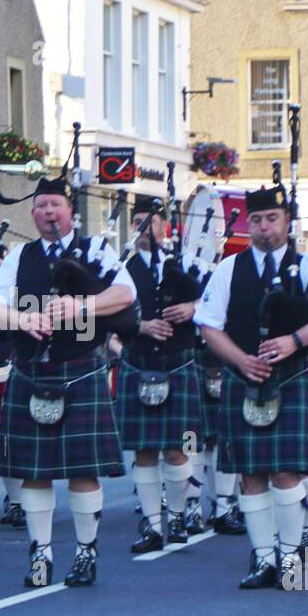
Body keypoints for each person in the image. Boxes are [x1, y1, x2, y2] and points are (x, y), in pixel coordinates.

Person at [0, 175, 135, 589]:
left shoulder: (96, 250)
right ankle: (41, 553)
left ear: (71, 211)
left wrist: (80, 305)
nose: (49, 213)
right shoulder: (19, 256)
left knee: (83, 470)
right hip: (31, 369)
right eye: (41, 206)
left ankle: (86, 552)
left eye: (56, 205)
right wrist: (22, 319)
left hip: (80, 366)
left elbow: (125, 295)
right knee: (35, 471)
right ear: (32, 213)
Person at [194, 187, 308, 590]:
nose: (263, 228)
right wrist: (239, 360)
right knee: (251, 474)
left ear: (287, 222)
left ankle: (291, 554)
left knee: (285, 472)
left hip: (294, 378)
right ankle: (264, 558)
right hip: (244, 378)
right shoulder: (229, 268)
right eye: (257, 220)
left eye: (272, 219)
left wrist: (296, 340)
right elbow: (209, 325)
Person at [116, 194, 204, 553]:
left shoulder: (188, 264)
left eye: (151, 221)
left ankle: (180, 515)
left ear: (163, 226)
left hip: (178, 362)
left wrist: (191, 308)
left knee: (179, 449)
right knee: (145, 450)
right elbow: (105, 319)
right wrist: (139, 326)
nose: (144, 228)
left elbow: (217, 305)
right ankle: (153, 525)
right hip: (139, 362)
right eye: (138, 221)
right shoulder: (121, 268)